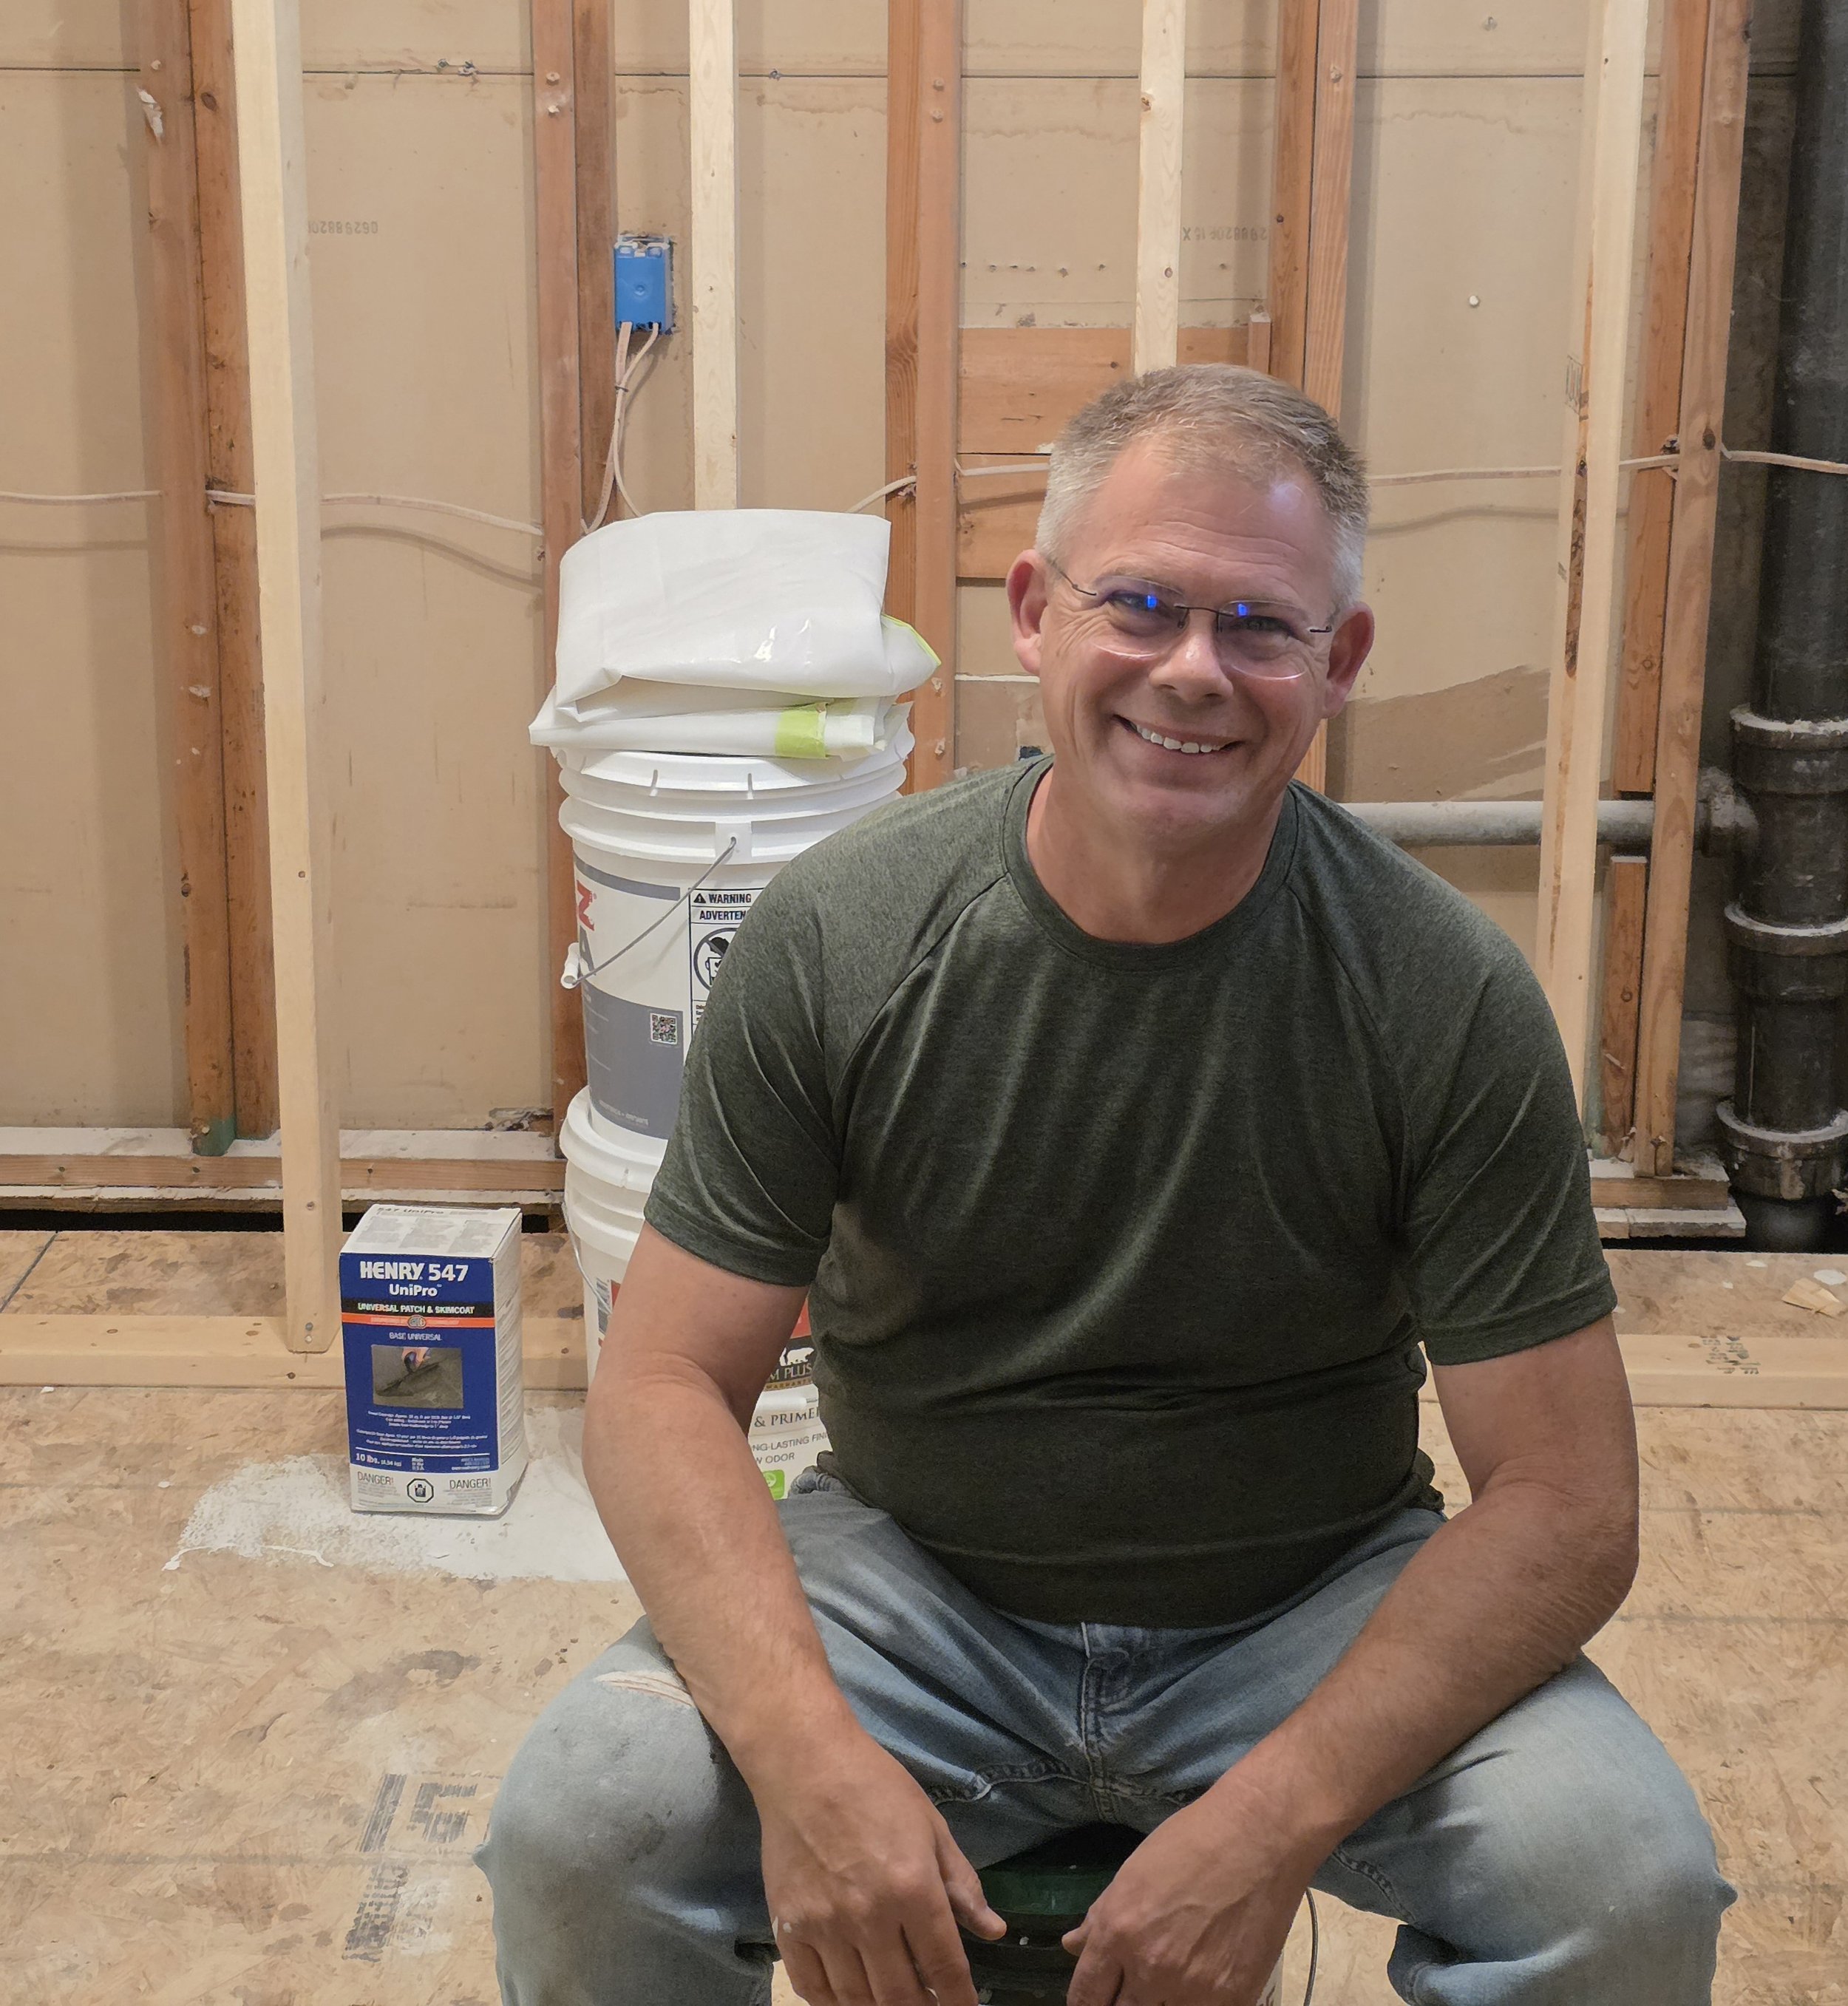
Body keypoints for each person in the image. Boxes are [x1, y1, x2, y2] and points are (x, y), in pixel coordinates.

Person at [478, 366, 1733, 2006]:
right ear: (1032, 617)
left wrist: (1269, 1817)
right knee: (583, 1828)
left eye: (1258, 625)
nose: (1192, 672)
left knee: (1618, 1880)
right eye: (1137, 603)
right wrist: (806, 1758)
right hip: (916, 1585)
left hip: (1307, 1599)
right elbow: (658, 1383)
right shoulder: (847, 939)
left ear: (1336, 662)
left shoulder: (1435, 992)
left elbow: (1565, 1504)